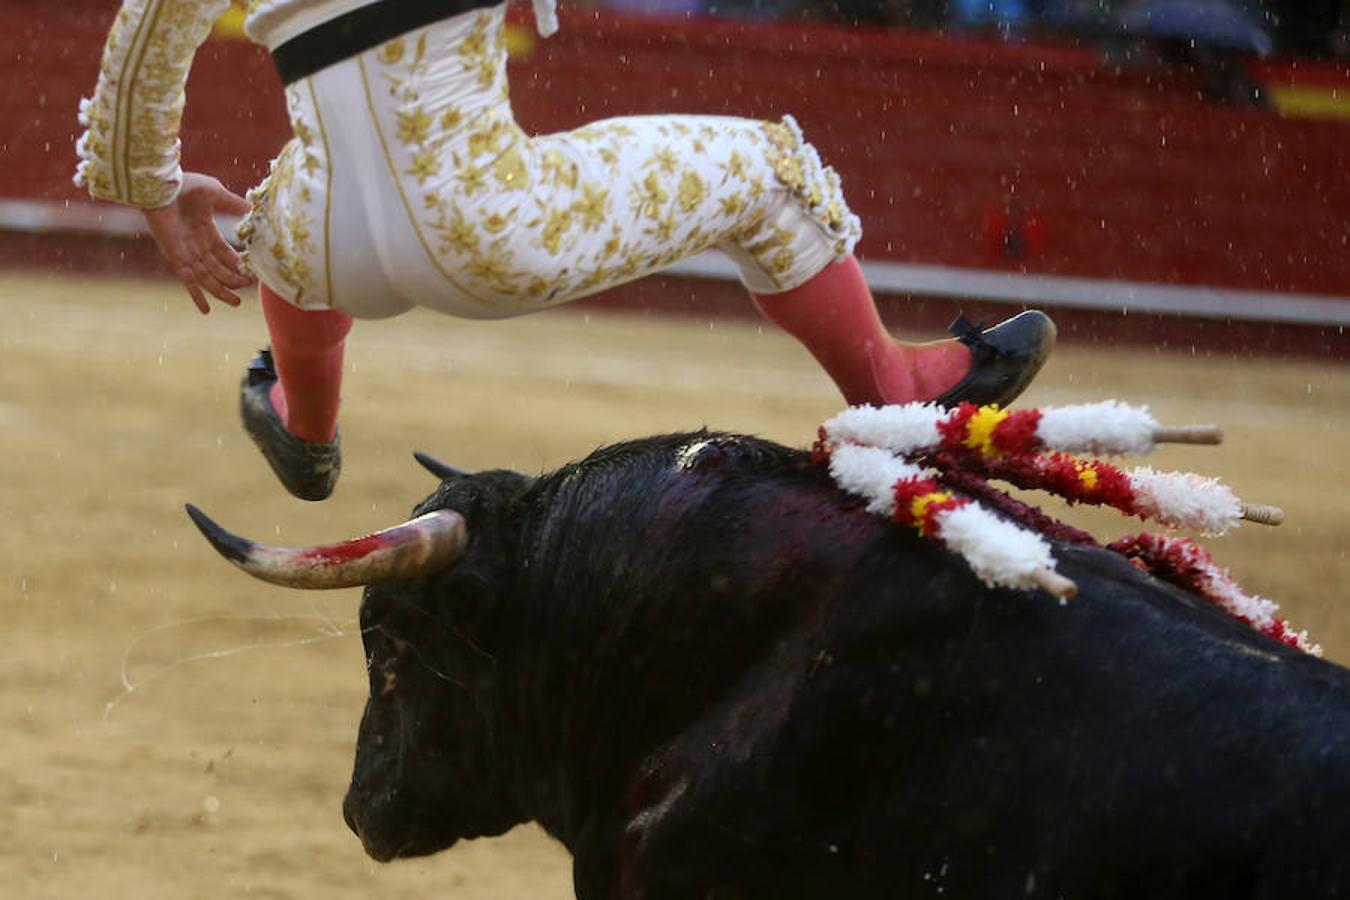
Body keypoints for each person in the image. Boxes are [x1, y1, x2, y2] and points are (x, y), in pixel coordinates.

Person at [76, 0, 1056, 501]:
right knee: (766, 171)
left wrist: (152, 189)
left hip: (316, 247)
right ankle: (892, 381)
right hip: (494, 228)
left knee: (295, 196)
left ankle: (305, 420)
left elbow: (149, 34)